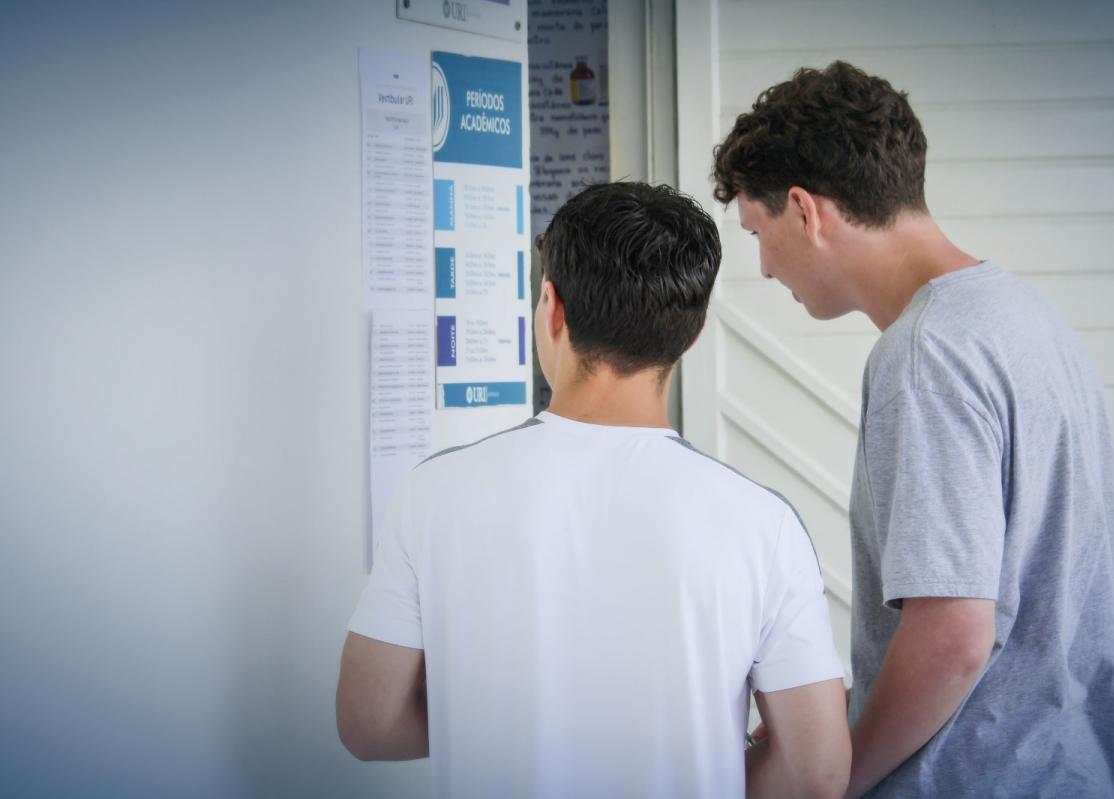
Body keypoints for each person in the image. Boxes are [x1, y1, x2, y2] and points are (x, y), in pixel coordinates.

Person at [713, 62, 1114, 797]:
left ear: (805, 211)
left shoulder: (926, 354)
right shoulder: (1024, 316)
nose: (762, 267)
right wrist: (853, 706)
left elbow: (952, 638)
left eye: (758, 232)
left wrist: (835, 775)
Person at [336, 182, 851, 799]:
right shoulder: (764, 525)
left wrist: (494, 720)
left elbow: (369, 723)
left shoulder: (433, 493)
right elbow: (817, 774)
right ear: (692, 333)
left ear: (550, 307)